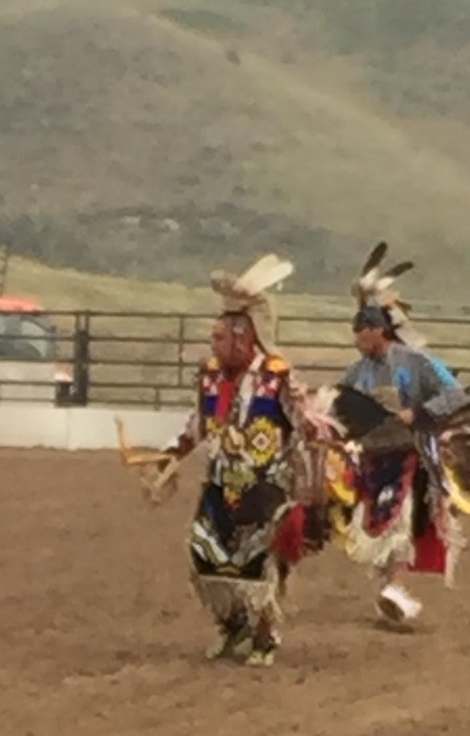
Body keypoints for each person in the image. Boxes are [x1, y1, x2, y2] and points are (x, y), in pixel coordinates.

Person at [132, 254, 328, 667]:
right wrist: (171, 454)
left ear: (245, 337)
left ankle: (264, 634)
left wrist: (315, 457)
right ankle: (232, 625)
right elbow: (198, 426)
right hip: (221, 484)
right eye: (213, 337)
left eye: (220, 338)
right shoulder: (210, 377)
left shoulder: (277, 377)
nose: (213, 345)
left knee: (258, 562)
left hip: (267, 486)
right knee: (205, 554)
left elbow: (306, 423)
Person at [323, 242, 470, 626]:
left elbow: (455, 394)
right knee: (375, 523)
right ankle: (390, 593)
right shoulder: (357, 372)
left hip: (409, 454)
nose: (357, 340)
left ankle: (395, 588)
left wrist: (419, 411)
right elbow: (336, 407)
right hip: (370, 458)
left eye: (362, 332)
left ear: (378, 330)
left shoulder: (415, 363)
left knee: (399, 520)